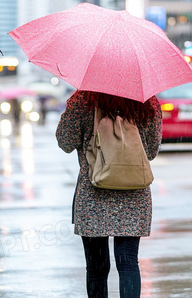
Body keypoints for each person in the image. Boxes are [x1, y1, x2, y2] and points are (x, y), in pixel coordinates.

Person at [56, 91, 162, 298]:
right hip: (134, 190)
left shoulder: (83, 99)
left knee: (96, 268)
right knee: (128, 262)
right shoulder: (148, 101)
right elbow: (150, 151)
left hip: (94, 191)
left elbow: (65, 142)